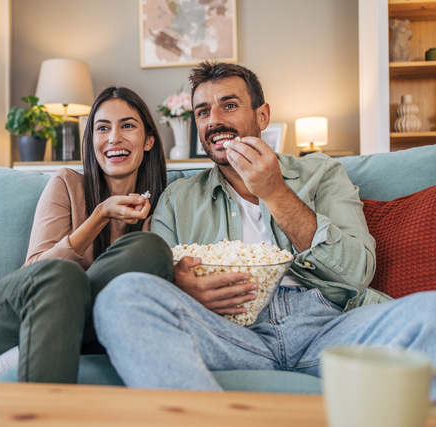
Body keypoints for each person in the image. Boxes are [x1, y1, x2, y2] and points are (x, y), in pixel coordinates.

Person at [93, 62, 436, 395]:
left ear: (262, 116)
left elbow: (356, 272)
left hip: (328, 327)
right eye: (203, 111)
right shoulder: (177, 198)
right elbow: (157, 280)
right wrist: (181, 285)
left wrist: (276, 193)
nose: (214, 120)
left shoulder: (321, 173)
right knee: (121, 296)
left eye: (229, 105)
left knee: (429, 312)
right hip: (229, 334)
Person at [0, 86, 173, 383]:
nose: (113, 138)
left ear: (148, 140)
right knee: (62, 274)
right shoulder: (66, 183)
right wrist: (99, 216)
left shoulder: (164, 205)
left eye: (127, 126)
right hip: (1, 321)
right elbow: (37, 269)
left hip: (75, 330)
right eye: (102, 128)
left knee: (146, 252)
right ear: (91, 140)